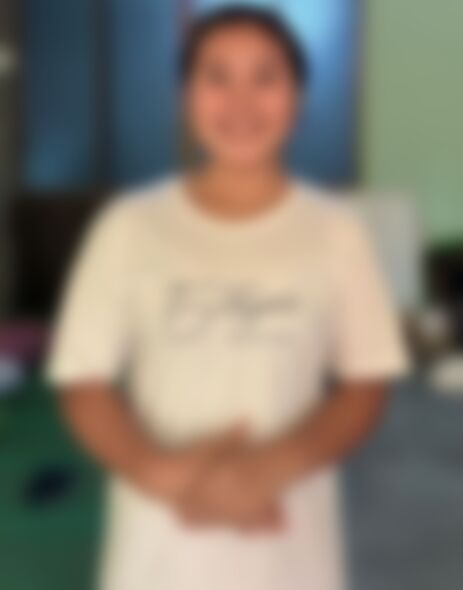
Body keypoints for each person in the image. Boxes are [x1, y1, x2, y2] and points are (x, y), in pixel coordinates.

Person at [47, 6, 408, 590]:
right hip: (156, 550)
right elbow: (82, 380)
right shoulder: (129, 226)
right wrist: (160, 473)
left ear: (298, 97)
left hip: (288, 546)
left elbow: (366, 383)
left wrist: (267, 470)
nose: (242, 102)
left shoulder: (337, 230)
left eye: (265, 77)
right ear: (186, 96)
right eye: (217, 77)